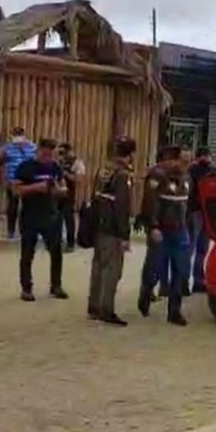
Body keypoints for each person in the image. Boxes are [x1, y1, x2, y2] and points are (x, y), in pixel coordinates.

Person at [137, 145, 191, 326]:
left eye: (188, 161)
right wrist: (152, 226)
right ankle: (146, 292)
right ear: (172, 159)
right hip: (162, 230)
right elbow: (150, 203)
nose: (187, 164)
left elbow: (186, 204)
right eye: (184, 160)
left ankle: (175, 311)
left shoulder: (185, 177)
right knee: (154, 266)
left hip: (180, 229)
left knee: (180, 269)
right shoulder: (157, 175)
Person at [12, 138, 69, 302]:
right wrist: (36, 187)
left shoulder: (55, 167)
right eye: (45, 153)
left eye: (51, 154)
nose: (48, 157)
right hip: (30, 215)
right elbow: (16, 190)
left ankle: (56, 285)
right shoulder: (26, 167)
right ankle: (26, 288)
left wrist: (58, 190)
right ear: (39, 150)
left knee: (56, 251)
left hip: (51, 214)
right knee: (27, 252)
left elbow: (64, 188)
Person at [87, 136, 136, 326]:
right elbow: (122, 206)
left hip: (99, 223)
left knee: (98, 266)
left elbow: (95, 195)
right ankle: (106, 310)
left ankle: (93, 306)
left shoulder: (104, 169)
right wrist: (125, 235)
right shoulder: (123, 175)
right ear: (131, 154)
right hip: (113, 228)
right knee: (112, 270)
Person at [185, 146, 216, 294]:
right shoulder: (196, 171)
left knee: (200, 248)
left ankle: (196, 282)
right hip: (198, 213)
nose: (206, 159)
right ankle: (188, 281)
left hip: (202, 213)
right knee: (194, 248)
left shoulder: (208, 171)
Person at [2, 127, 37, 241]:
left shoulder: (31, 147)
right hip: (12, 181)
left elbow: (34, 161)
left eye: (18, 135)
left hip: (27, 181)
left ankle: (25, 231)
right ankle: (11, 232)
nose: (16, 137)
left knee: (28, 208)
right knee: (12, 207)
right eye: (15, 135)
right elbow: (3, 161)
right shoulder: (7, 148)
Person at [57, 142, 87, 253]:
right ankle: (57, 240)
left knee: (68, 218)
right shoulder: (58, 162)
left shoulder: (77, 163)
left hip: (69, 195)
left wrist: (65, 174)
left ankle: (70, 243)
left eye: (63, 152)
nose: (61, 155)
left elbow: (78, 179)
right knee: (56, 219)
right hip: (57, 193)